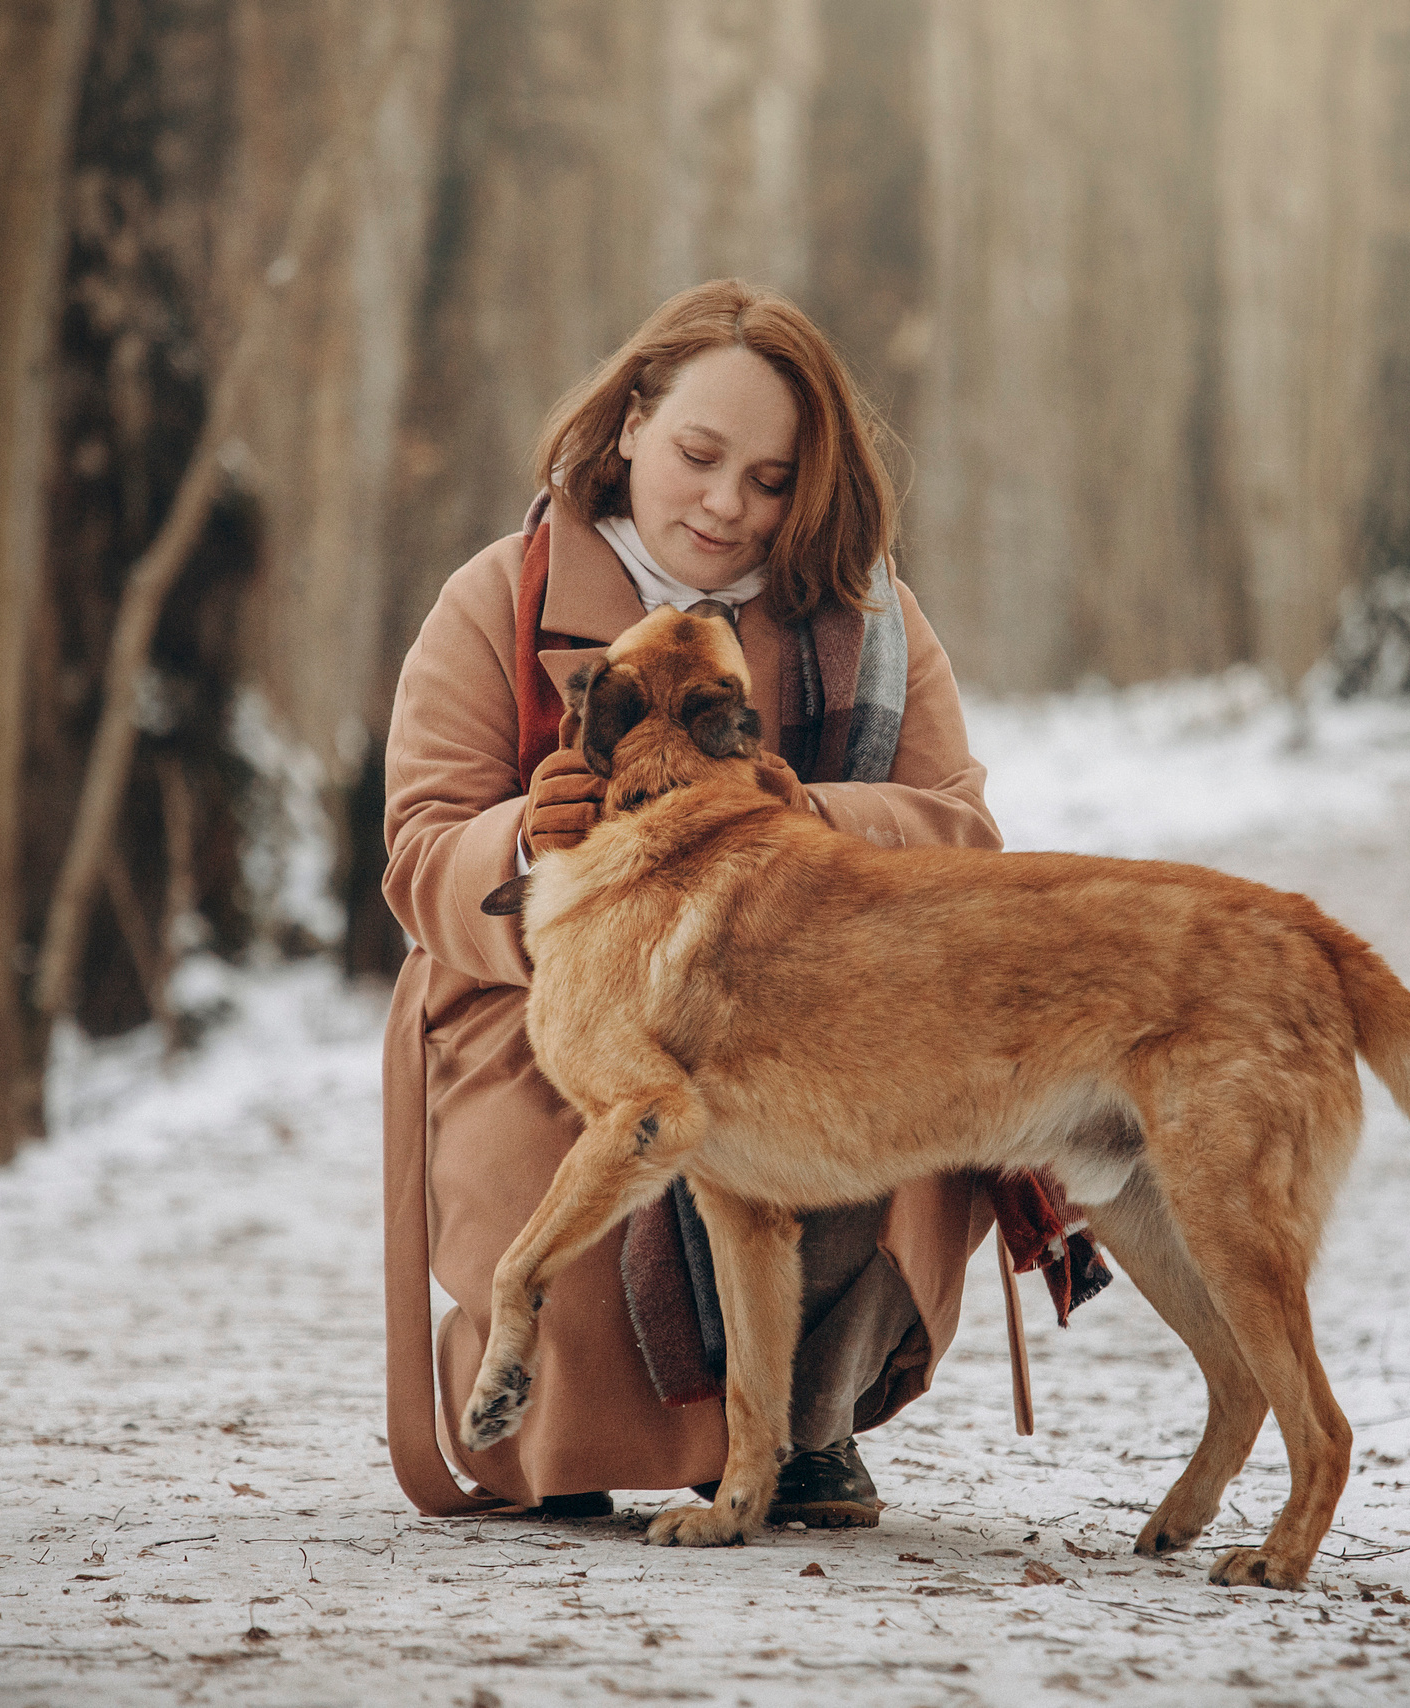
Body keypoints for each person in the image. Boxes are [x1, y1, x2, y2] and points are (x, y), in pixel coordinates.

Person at [381, 279, 1002, 1528]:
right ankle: (565, 1427)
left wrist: (811, 814)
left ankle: (806, 1427)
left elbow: (964, 836)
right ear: (629, 427)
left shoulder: (873, 617)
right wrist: (530, 841)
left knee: (886, 1087)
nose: (727, 506)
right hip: (544, 994)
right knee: (569, 1182)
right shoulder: (497, 595)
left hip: (801, 987)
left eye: (771, 480)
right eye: (698, 456)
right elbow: (418, 850)